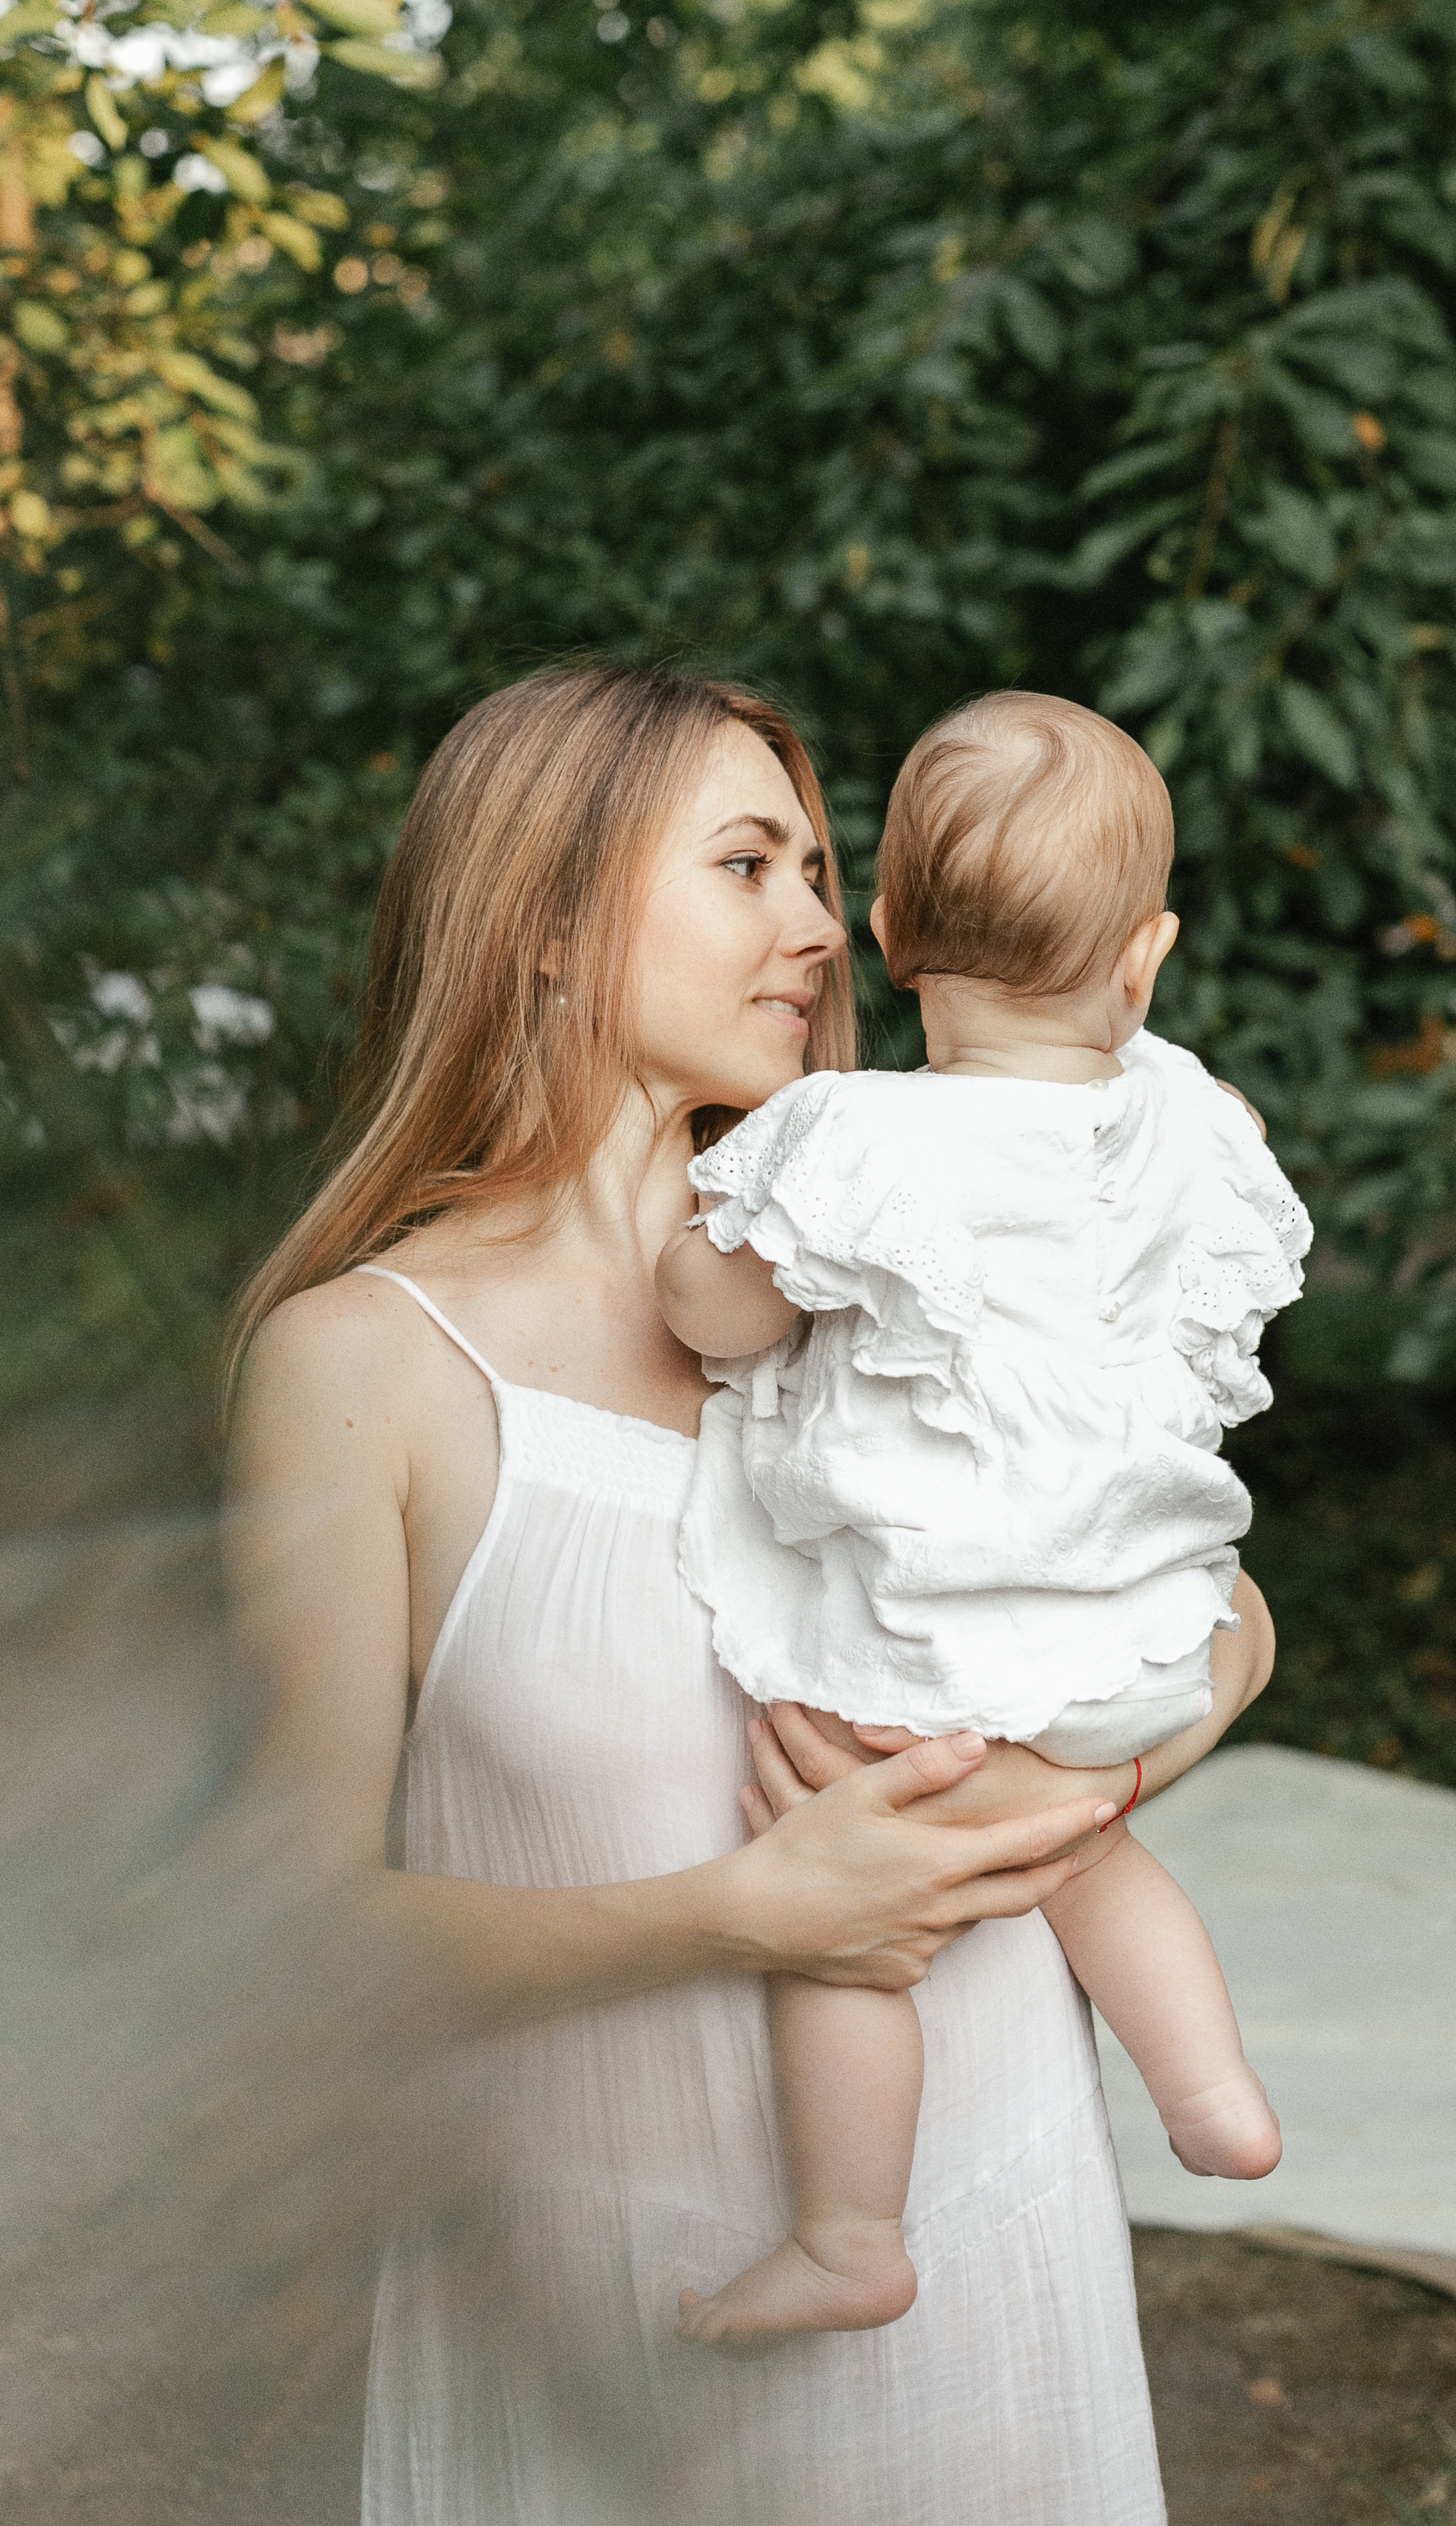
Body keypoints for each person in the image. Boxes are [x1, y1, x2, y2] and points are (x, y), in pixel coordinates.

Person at [223, 665, 1276, 2526]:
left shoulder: (899, 1254)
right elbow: (290, 1938)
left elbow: (1219, 1614)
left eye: (818, 870)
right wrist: (749, 1910)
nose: (813, 924)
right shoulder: (366, 1364)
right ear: (545, 920)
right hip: (599, 2320)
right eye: (744, 865)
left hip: (995, 2256)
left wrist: (1074, 1786)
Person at [657, 691, 1306, 2349]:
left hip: (935, 1656)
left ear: (886, 935)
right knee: (1091, 1855)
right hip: (1143, 1639)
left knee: (849, 1942)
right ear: (1145, 956)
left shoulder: (856, 1136)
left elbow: (714, 1317)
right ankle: (1214, 2098)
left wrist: (692, 1247)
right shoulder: (1193, 1119)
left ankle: (847, 2237)